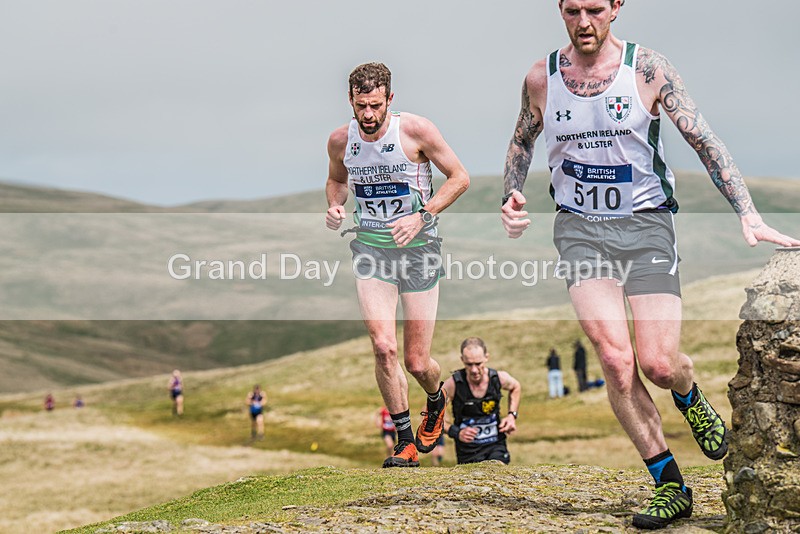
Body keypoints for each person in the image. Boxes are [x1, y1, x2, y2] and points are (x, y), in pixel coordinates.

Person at [500, 0, 800, 528]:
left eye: (595, 9)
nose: (584, 22)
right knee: (615, 362)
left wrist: (748, 213)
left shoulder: (649, 70)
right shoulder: (541, 78)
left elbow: (703, 139)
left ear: (617, 7)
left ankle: (687, 390)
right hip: (579, 231)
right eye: (572, 11)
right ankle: (669, 484)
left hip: (646, 227)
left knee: (659, 364)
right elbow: (522, 139)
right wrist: (511, 194)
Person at [326, 62, 470, 468]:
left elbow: (459, 177)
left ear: (390, 99)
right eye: (360, 106)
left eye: (375, 105)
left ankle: (436, 398)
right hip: (371, 251)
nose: (368, 115)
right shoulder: (341, 140)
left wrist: (422, 215)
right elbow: (337, 180)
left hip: (419, 249)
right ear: (350, 101)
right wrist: (335, 206)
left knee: (417, 362)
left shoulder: (416, 131)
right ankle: (404, 441)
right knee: (383, 347)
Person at [442, 337, 521, 465]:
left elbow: (516, 387)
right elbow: (430, 415)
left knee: (499, 475)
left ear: (486, 358)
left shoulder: (498, 378)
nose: (474, 370)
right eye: (469, 364)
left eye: (478, 364)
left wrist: (512, 415)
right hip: (468, 451)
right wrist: (455, 432)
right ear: (462, 360)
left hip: (496, 445)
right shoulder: (453, 384)